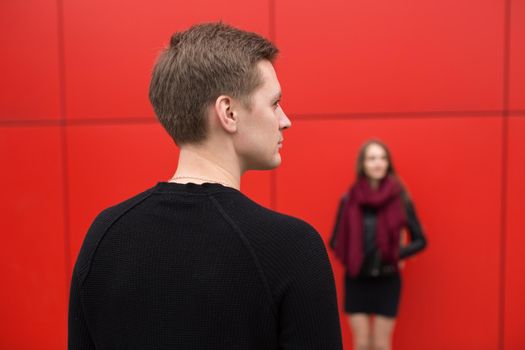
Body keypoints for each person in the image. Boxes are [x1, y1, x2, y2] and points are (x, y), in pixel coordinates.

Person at [68, 22, 342, 350]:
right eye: (274, 103)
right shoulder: (291, 248)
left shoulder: (104, 235)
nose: (285, 120)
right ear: (228, 112)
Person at [330, 139, 427, 350]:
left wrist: (396, 253)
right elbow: (335, 241)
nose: (377, 163)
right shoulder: (349, 200)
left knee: (382, 345)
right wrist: (354, 256)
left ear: (388, 163)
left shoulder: (400, 199)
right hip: (357, 279)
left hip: (388, 280)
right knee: (362, 343)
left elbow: (421, 240)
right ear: (363, 164)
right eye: (372, 158)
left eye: (382, 158)